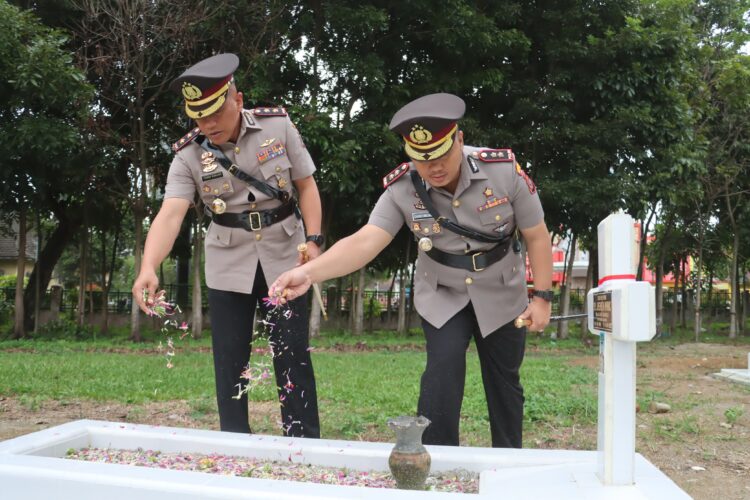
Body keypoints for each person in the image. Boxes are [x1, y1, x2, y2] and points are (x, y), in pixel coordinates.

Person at [270, 93, 552, 448]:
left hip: (502, 288)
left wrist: (541, 298)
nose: (433, 167)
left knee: (504, 382)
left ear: (459, 140)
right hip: (442, 292)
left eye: (441, 155)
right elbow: (365, 241)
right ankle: (433, 461)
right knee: (441, 375)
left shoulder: (501, 170)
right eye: (421, 158)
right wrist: (310, 274)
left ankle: (509, 462)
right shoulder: (402, 189)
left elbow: (537, 236)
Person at [132, 53, 323, 438]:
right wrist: (148, 266)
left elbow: (306, 185)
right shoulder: (188, 154)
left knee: (292, 356)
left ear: (237, 100)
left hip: (286, 255)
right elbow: (171, 213)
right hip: (228, 260)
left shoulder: (277, 127)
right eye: (198, 117)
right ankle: (235, 443)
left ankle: (304, 442)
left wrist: (315, 243)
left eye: (215, 113)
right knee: (230, 361)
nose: (207, 125)